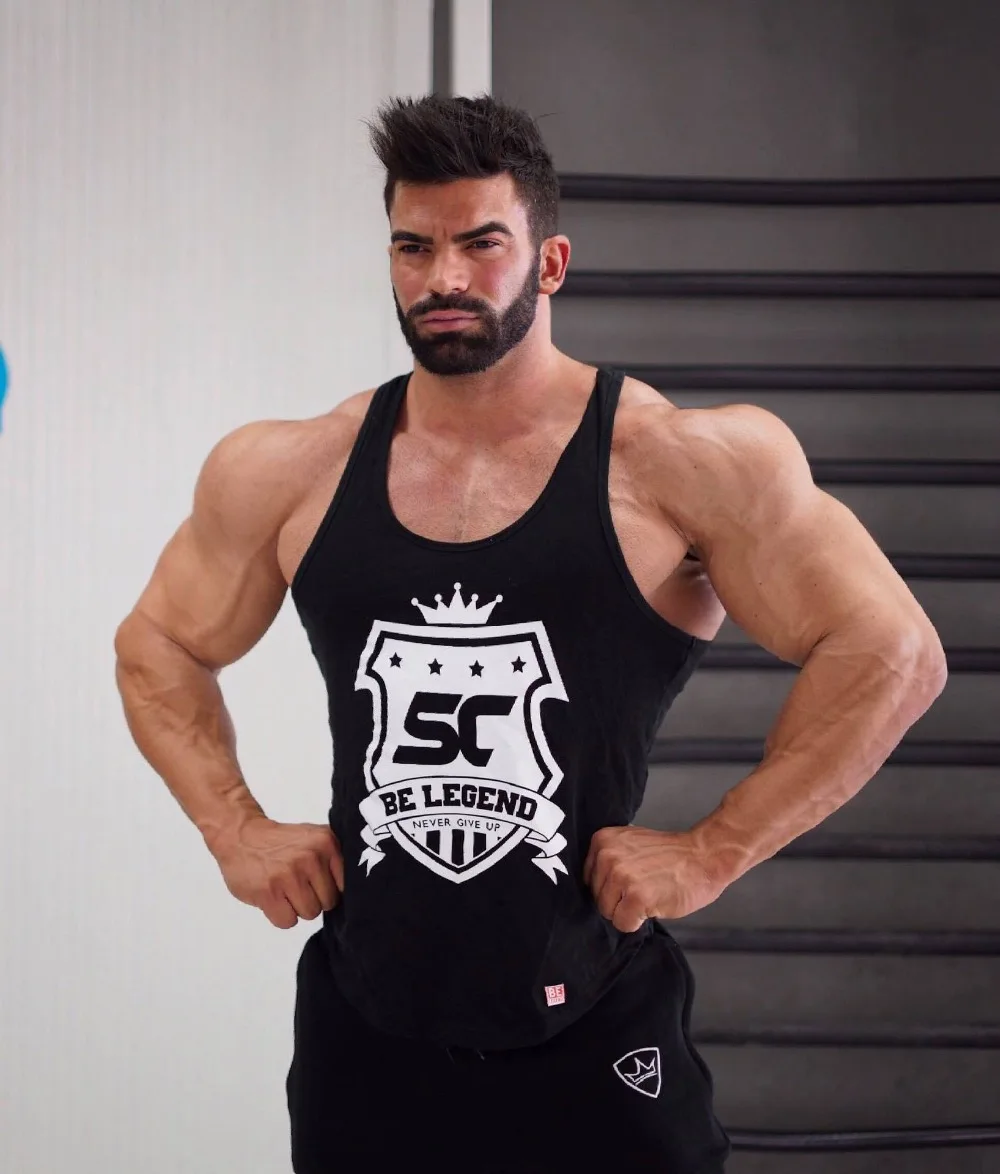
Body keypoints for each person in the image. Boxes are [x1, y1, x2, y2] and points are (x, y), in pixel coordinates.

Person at [114, 94, 948, 1173]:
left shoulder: (679, 462)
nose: (443, 278)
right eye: (413, 247)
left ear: (550, 262)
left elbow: (891, 654)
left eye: (480, 244)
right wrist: (232, 830)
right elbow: (159, 644)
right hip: (366, 1028)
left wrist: (712, 851)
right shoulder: (289, 468)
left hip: (595, 1019)